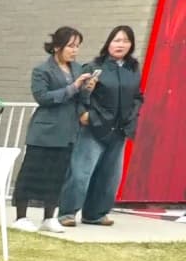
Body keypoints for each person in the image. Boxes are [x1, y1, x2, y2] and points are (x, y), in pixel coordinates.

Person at [14, 27, 95, 228]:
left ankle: (49, 217)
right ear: (57, 46)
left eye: (77, 46)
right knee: (31, 174)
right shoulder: (42, 70)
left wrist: (87, 90)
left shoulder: (78, 69)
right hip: (44, 132)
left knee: (57, 176)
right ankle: (21, 217)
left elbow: (80, 100)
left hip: (67, 131)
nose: (75, 50)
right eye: (71, 46)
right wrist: (73, 87)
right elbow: (43, 97)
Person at [68, 23, 141, 226]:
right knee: (81, 173)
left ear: (131, 45)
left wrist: (132, 118)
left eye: (126, 41)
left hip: (119, 130)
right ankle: (67, 212)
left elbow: (137, 96)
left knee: (109, 176)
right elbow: (79, 95)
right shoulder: (94, 66)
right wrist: (84, 114)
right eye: (117, 40)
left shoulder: (133, 69)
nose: (121, 45)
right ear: (108, 43)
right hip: (94, 127)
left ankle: (95, 214)